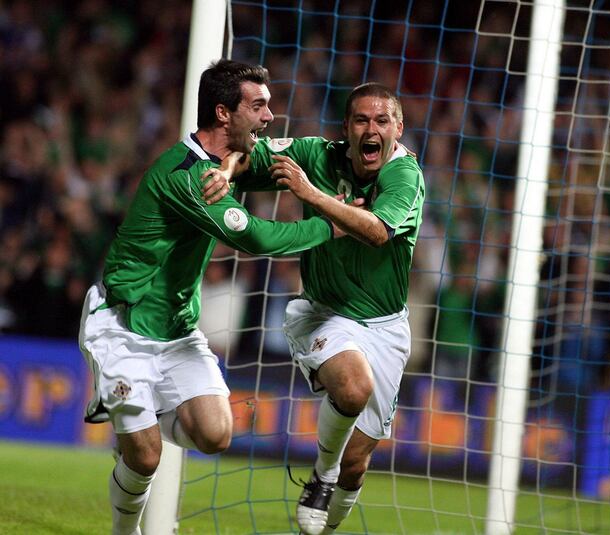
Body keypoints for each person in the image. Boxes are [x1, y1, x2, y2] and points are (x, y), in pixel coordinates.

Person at [79, 59, 340, 535]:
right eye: (258, 106)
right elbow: (257, 239)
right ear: (224, 113)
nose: (269, 115)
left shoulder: (229, 159)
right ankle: (125, 524)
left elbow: (288, 155)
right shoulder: (186, 175)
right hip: (123, 323)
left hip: (177, 329)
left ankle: (139, 419)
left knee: (217, 435)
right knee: (146, 455)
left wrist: (335, 152)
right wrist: (331, 223)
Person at [218, 82, 424, 535]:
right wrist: (229, 167)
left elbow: (376, 230)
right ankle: (322, 477)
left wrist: (311, 196)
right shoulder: (314, 153)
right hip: (323, 311)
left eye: (382, 121)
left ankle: (330, 492)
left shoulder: (405, 175)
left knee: (357, 465)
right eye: (362, 120)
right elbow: (247, 153)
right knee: (352, 389)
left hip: (386, 326)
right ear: (346, 129)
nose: (372, 129)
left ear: (398, 129)